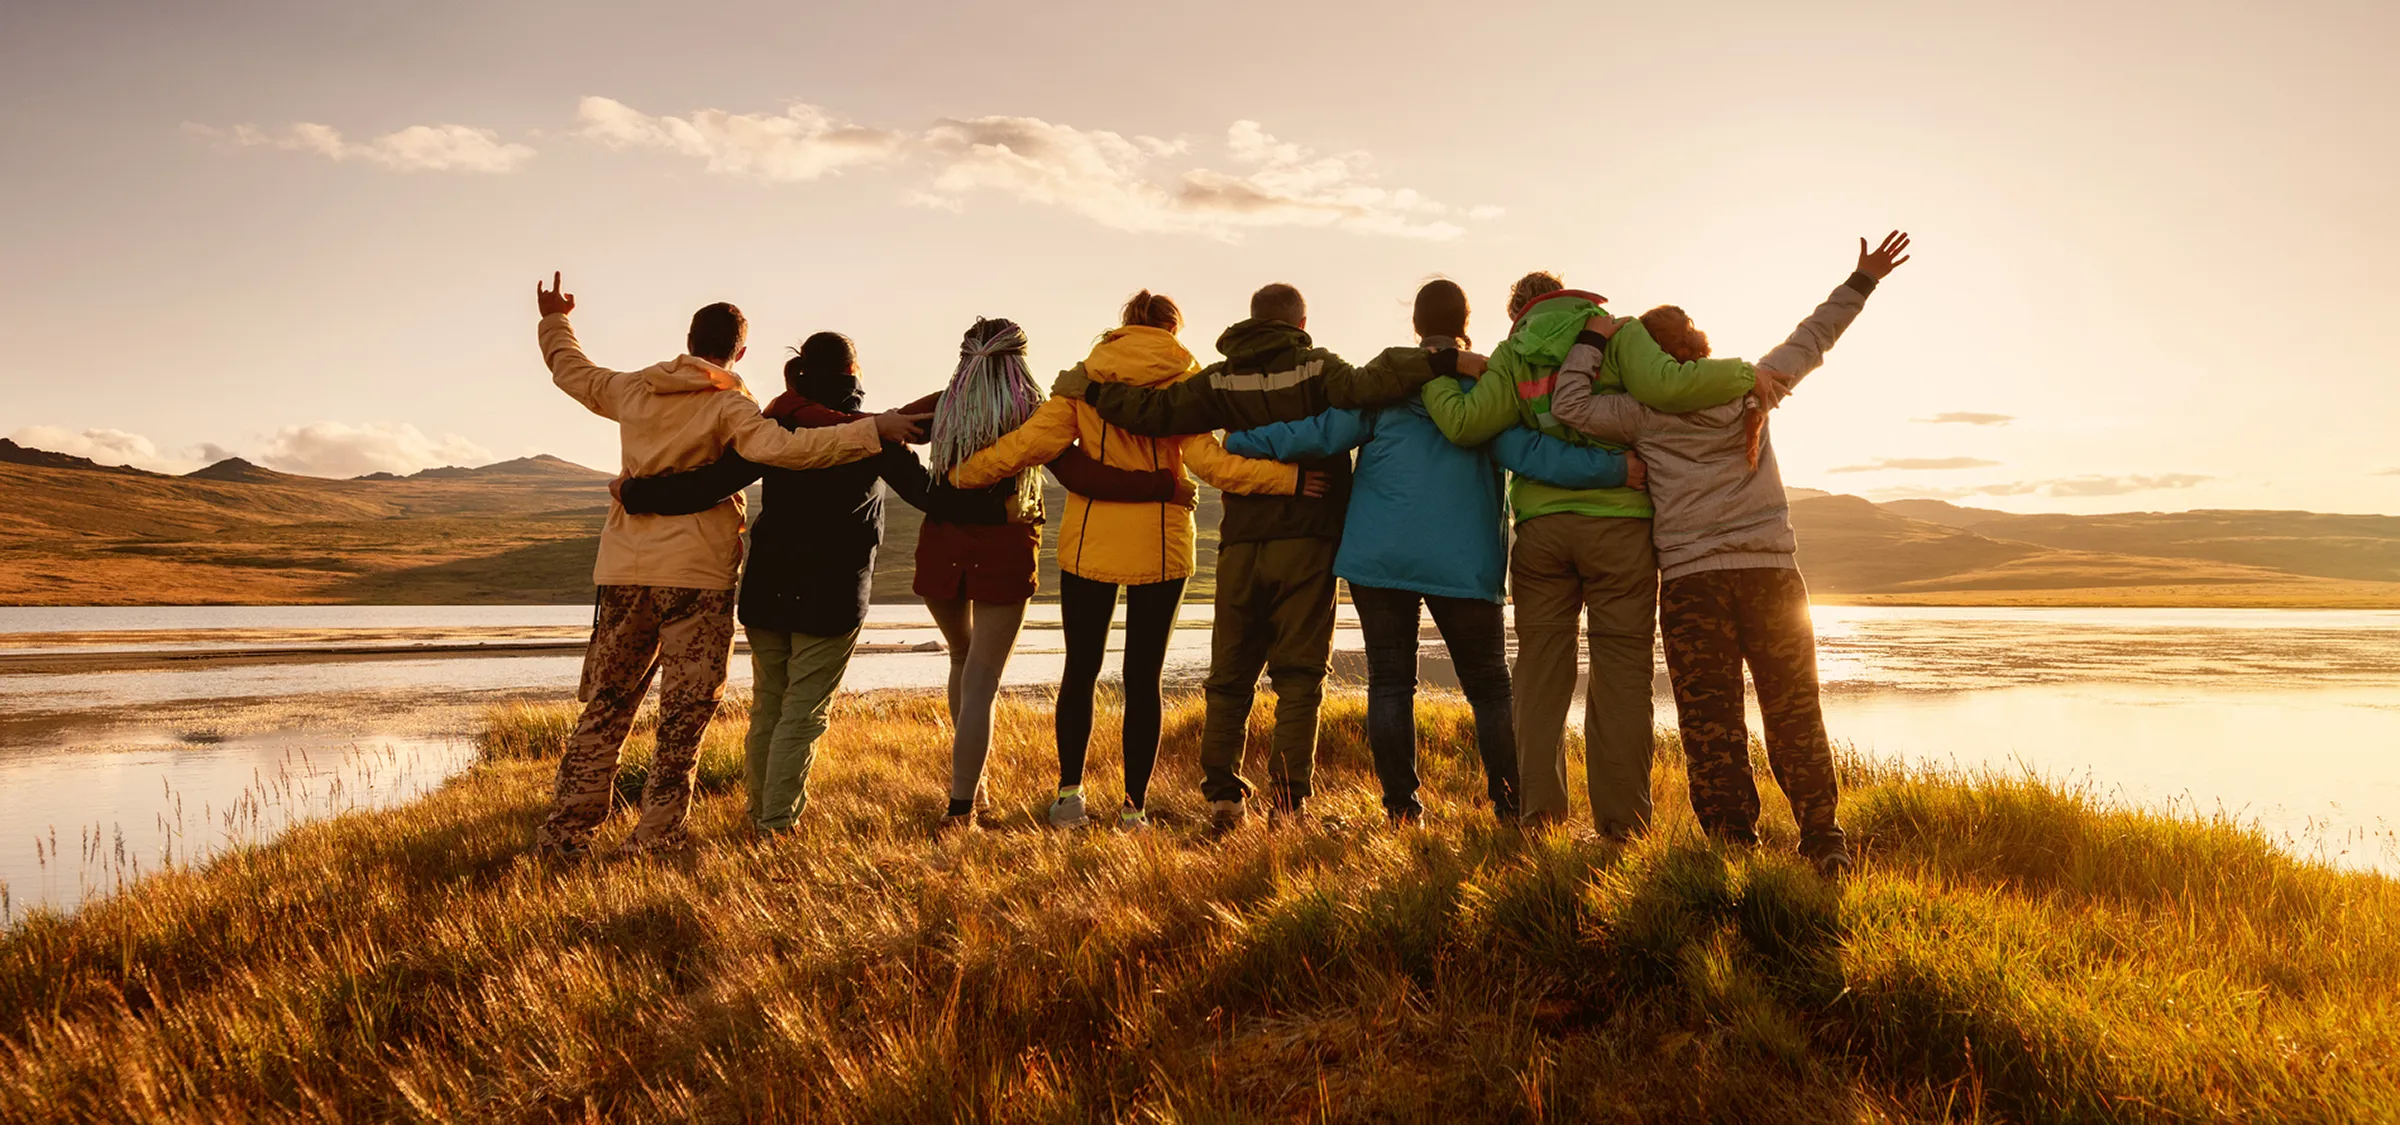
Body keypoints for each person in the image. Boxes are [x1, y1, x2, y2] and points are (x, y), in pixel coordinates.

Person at [611, 326, 1181, 836]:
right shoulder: (986, 417)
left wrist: (637, 491)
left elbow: (731, 475)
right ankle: (928, 807)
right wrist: (1152, 486)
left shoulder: (816, 421)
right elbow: (991, 483)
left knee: (793, 701)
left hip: (851, 572)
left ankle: (780, 811)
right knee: (951, 684)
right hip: (914, 573)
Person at [1547, 232, 1913, 877]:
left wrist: (1594, 339)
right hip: (1773, 575)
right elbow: (1815, 337)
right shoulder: (1753, 386)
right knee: (1794, 709)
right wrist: (1863, 280)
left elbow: (1568, 403)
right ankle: (1822, 838)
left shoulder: (1639, 413)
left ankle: (1732, 846)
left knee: (1710, 721)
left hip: (1693, 584)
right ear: (1699, 346)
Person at [532, 273, 927, 859]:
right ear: (740, 352)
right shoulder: (730, 406)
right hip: (696, 578)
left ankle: (566, 836)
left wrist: (555, 319)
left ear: (689, 341)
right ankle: (655, 838)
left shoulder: (632, 390)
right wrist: (873, 431)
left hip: (623, 571)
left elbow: (572, 371)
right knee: (683, 716)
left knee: (606, 705)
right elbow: (787, 450)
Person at [1218, 280, 1641, 826]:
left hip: (1379, 556)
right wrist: (1615, 468)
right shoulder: (1488, 385)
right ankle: (1510, 805)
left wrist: (1242, 441)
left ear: (1416, 325)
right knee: (1489, 686)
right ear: (1466, 322)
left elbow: (1319, 433)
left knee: (1390, 682)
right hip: (1461, 560)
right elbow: (1531, 453)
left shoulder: (1387, 384)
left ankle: (1402, 809)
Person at [1418, 274, 1757, 839]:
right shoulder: (1619, 333)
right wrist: (1750, 375)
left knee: (1539, 676)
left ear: (1519, 311)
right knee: (1622, 675)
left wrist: (1434, 373)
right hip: (1621, 530)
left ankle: (1540, 819)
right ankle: (1623, 828)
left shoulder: (1512, 353)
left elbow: (1469, 424)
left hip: (1543, 534)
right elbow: (1669, 388)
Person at [950, 291, 1303, 831]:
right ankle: (1133, 809)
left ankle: (1069, 798)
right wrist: (1289, 479)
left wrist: (960, 474)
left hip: (1088, 545)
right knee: (1144, 680)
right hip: (1162, 547)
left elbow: (1025, 445)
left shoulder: (1084, 380)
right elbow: (1212, 465)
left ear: (1124, 325)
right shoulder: (1184, 383)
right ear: (1172, 329)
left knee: (1080, 671)